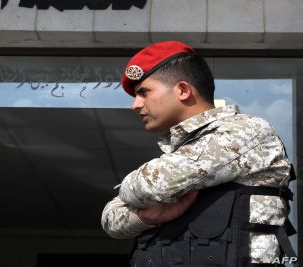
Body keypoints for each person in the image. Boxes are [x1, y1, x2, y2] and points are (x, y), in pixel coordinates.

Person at [101, 41, 297, 266]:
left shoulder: (245, 131)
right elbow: (110, 220)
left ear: (183, 90)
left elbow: (151, 185)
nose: (135, 105)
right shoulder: (180, 152)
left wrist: (137, 192)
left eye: (143, 93)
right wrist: (146, 216)